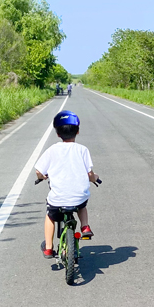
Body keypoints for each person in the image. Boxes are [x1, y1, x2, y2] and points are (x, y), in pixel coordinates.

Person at [35, 110, 99, 258]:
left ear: (58, 134)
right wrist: (95, 178)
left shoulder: (52, 150)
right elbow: (90, 174)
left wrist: (42, 176)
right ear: (78, 131)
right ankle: (85, 227)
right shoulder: (82, 150)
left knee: (50, 216)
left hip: (58, 199)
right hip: (79, 197)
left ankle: (48, 248)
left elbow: (39, 171)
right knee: (82, 206)